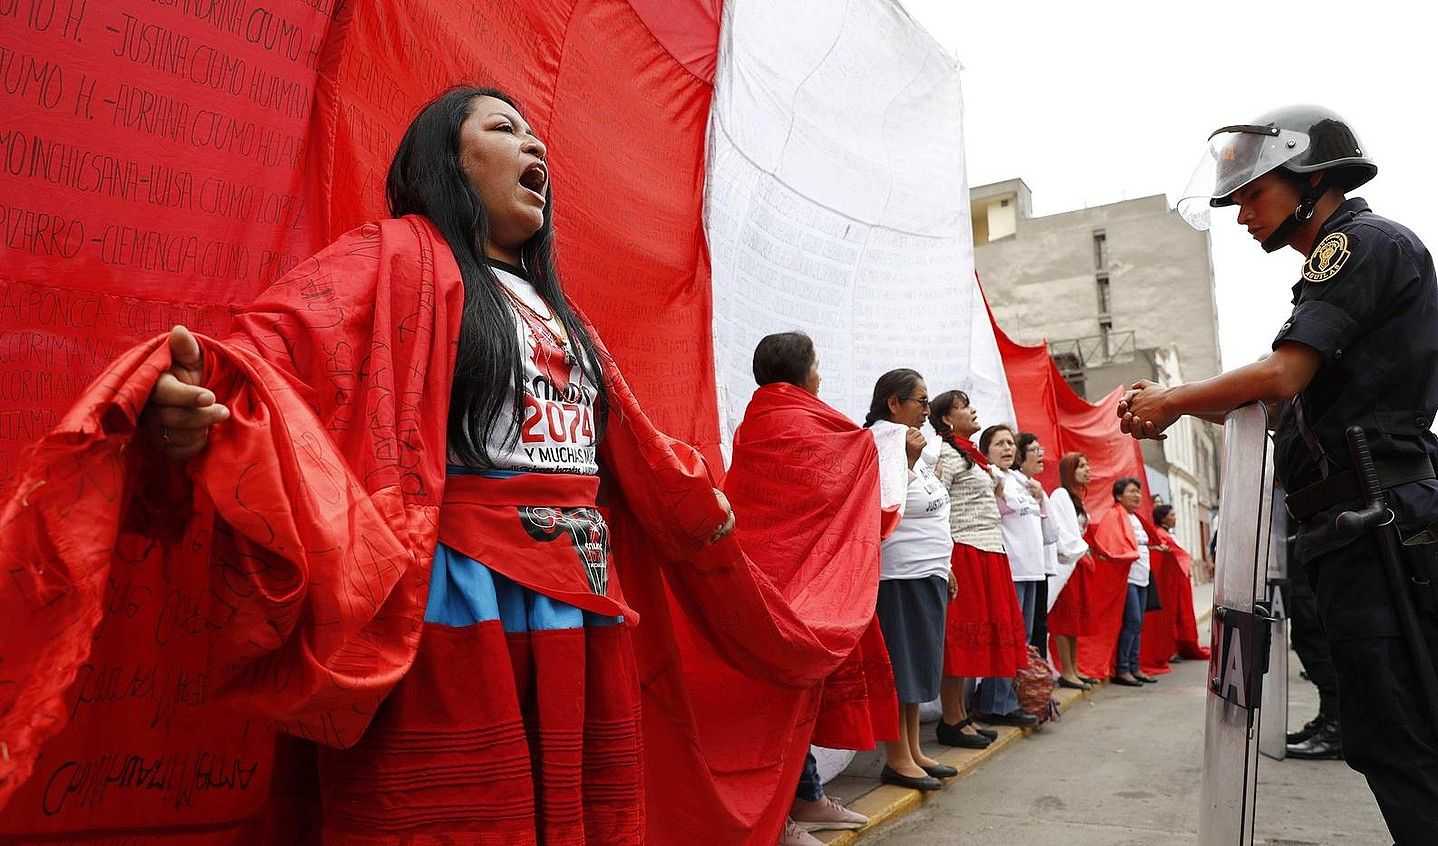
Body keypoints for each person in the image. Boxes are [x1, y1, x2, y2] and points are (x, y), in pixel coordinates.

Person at [0, 87, 872, 845]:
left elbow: (641, 455)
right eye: (503, 128)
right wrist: (199, 395)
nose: (535, 145)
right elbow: (284, 346)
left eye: (537, 134)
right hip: (460, 605)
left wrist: (727, 532)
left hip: (581, 605)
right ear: (443, 164)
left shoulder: (568, 315)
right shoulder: (397, 255)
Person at [1125, 105, 1438, 842]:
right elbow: (1273, 410)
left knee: (1404, 741)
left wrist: (1171, 398)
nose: (1241, 217)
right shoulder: (1339, 259)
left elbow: (1282, 377)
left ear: (1313, 180)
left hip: (1378, 518)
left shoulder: (1355, 246)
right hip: (1359, 520)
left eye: (1252, 196)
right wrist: (1175, 404)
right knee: (1393, 735)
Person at [725, 331, 886, 845]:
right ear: (804, 372)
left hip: (759, 578)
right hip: (794, 582)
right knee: (781, 700)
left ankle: (807, 799)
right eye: (818, 364)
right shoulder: (809, 422)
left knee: (791, 695)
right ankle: (782, 819)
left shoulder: (756, 419)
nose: (822, 374)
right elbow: (850, 459)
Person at [864, 369, 959, 791]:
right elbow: (881, 501)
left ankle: (915, 748)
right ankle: (896, 756)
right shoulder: (883, 441)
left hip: (926, 569)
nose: (927, 409)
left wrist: (946, 564)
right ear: (893, 403)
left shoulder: (912, 441)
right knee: (901, 665)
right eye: (921, 401)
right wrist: (905, 461)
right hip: (898, 572)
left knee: (919, 661)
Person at [929, 391, 1027, 749]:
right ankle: (951, 719)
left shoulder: (971, 456)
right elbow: (937, 508)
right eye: (963, 407)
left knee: (973, 641)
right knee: (960, 640)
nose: (972, 410)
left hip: (988, 550)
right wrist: (945, 558)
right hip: (965, 550)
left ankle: (962, 714)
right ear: (946, 419)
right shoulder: (945, 455)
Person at [971, 424, 1043, 727]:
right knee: (1006, 637)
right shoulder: (989, 476)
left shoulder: (1019, 480)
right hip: (1009, 567)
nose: (1008, 448)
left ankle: (1004, 699)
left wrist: (1039, 496)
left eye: (1011, 443)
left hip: (1031, 568)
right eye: (999, 443)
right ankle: (996, 704)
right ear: (986, 449)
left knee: (1021, 639)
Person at [1139, 504, 1211, 676]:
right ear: (1163, 518)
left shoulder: (1166, 534)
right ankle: (1170, 648)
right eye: (1172, 515)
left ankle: (1177, 646)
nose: (1175, 517)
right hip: (1171, 583)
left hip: (1177, 582)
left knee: (1178, 615)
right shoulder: (1161, 534)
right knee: (1171, 615)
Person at [1047, 452, 1098, 690]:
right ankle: (1067, 671)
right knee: (1064, 619)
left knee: (1075, 620)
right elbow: (1062, 533)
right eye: (1081, 466)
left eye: (1087, 464)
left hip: (1078, 565)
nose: (1087, 469)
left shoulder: (1077, 499)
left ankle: (1074, 669)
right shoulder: (1060, 495)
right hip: (1066, 566)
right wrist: (1080, 549)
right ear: (1069, 471)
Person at [1109, 477, 1157, 686]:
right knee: (1133, 620)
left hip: (1142, 575)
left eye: (1138, 491)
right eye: (1131, 491)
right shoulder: (1115, 516)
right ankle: (1123, 668)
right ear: (1119, 496)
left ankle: (1135, 666)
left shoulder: (1135, 518)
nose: (1137, 495)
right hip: (1127, 577)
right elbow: (1112, 543)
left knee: (1139, 623)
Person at [1014, 433, 1055, 660]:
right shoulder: (1010, 483)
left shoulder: (1035, 486)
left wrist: (1041, 500)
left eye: (1041, 449)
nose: (1041, 455)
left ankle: (1034, 686)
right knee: (1022, 631)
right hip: (1019, 567)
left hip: (1037, 567)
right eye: (1034, 450)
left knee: (1035, 628)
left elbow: (1051, 533)